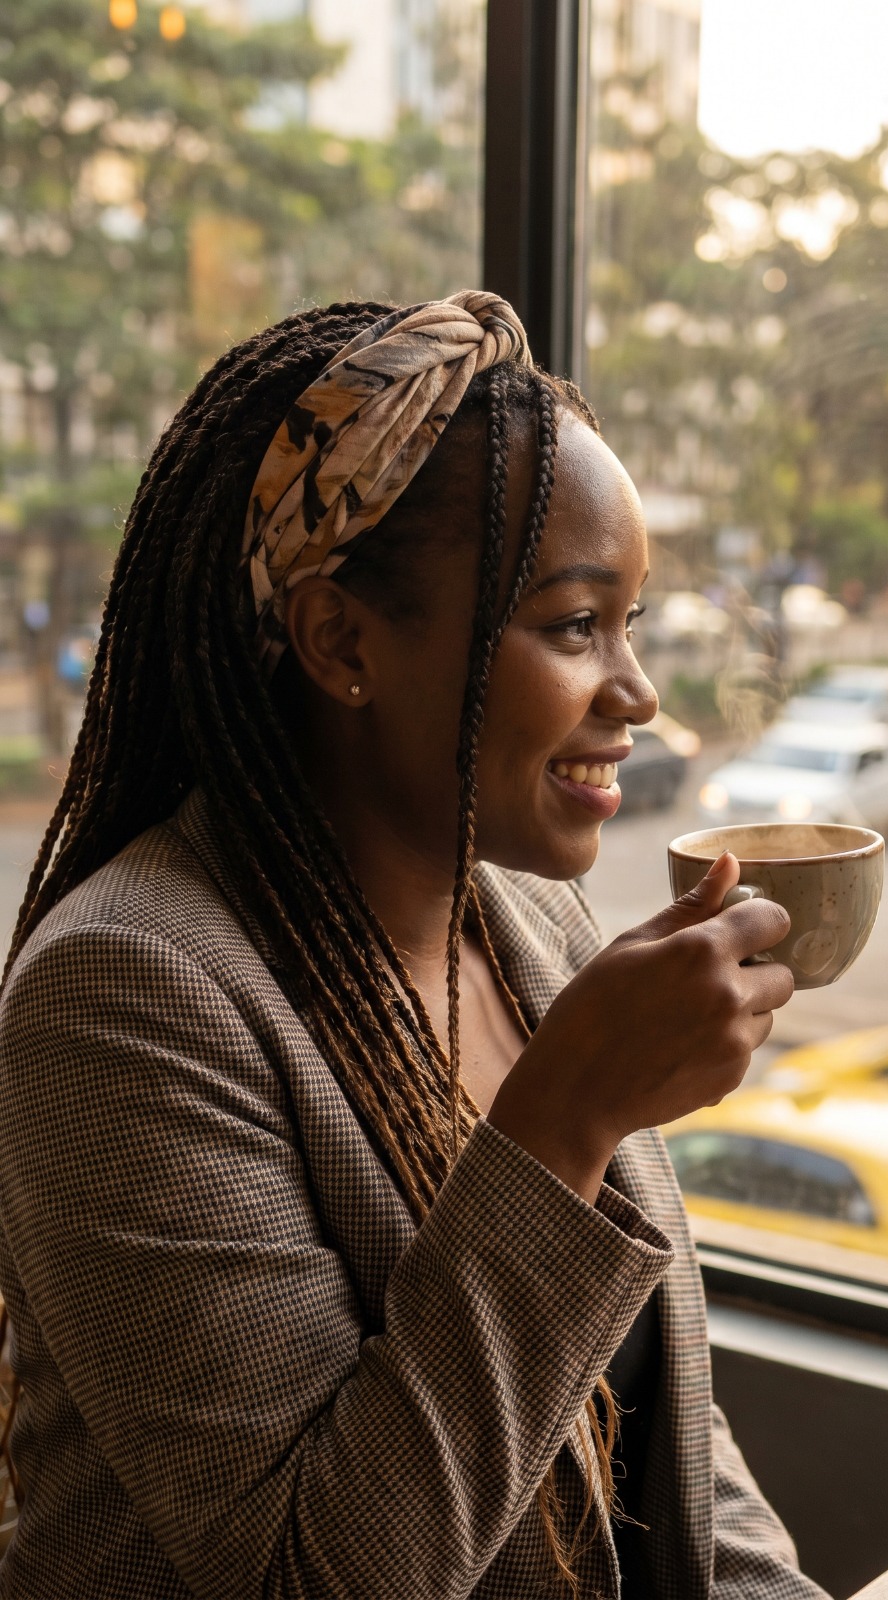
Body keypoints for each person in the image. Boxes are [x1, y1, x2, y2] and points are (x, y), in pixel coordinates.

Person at [0, 294, 825, 1600]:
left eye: (633, 623)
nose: (637, 693)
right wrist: (565, 1122)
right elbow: (313, 1576)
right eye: (571, 626)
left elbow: (664, 1443)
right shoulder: (124, 996)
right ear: (341, 640)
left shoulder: (529, 922)